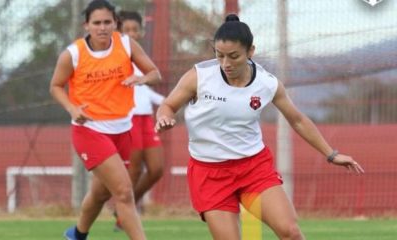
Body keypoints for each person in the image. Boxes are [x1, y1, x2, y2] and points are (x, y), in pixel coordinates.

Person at [155, 14, 365, 240]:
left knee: (291, 232)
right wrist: (164, 118)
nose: (225, 63)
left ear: (250, 51)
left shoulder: (267, 83)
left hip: (253, 168)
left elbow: (297, 119)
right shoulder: (199, 76)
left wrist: (331, 154)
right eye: (219, 55)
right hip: (209, 172)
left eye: (234, 56)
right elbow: (168, 105)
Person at [49, 1, 161, 239]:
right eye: (96, 23)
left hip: (122, 131)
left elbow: (154, 73)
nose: (102, 28)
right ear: (86, 25)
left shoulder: (126, 44)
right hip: (89, 131)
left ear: (115, 24)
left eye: (107, 22)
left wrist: (142, 79)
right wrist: (71, 108)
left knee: (100, 193)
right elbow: (56, 86)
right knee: (123, 192)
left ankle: (77, 235)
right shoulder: (74, 54)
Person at [112, 10, 165, 230]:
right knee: (133, 170)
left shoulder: (141, 58)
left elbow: (144, 88)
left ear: (141, 32)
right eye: (127, 30)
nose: (132, 34)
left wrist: (169, 101)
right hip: (129, 118)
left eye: (136, 29)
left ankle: (124, 208)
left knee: (156, 169)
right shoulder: (116, 58)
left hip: (146, 119)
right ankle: (125, 214)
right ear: (119, 33)